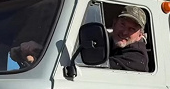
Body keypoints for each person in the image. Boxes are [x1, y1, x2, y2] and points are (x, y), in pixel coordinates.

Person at [10, 5, 149, 72]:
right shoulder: (108, 41)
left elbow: (93, 65)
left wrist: (41, 50)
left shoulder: (137, 57)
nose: (124, 31)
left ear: (140, 35)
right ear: (114, 24)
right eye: (122, 24)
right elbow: (78, 47)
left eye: (132, 29)